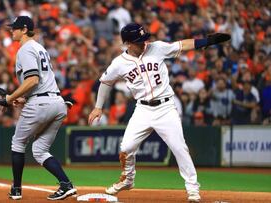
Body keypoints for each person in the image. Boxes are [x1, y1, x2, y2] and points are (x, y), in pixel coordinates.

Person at [88, 22, 230, 202]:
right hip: (143, 109)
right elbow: (105, 81)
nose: (144, 43)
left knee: (179, 148)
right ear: (128, 44)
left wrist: (206, 42)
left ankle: (193, 189)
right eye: (139, 41)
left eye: (144, 38)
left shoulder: (157, 48)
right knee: (126, 148)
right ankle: (128, 180)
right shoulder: (118, 63)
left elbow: (182, 45)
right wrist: (99, 106)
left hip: (165, 108)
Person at [5, 16, 76, 200]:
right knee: (40, 150)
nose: (12, 31)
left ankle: (16, 190)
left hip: (41, 103)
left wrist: (10, 97)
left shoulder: (25, 49)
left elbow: (33, 79)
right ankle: (66, 184)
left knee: (18, 143)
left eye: (15, 28)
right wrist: (24, 98)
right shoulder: (39, 47)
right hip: (57, 102)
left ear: (24, 29)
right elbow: (40, 82)